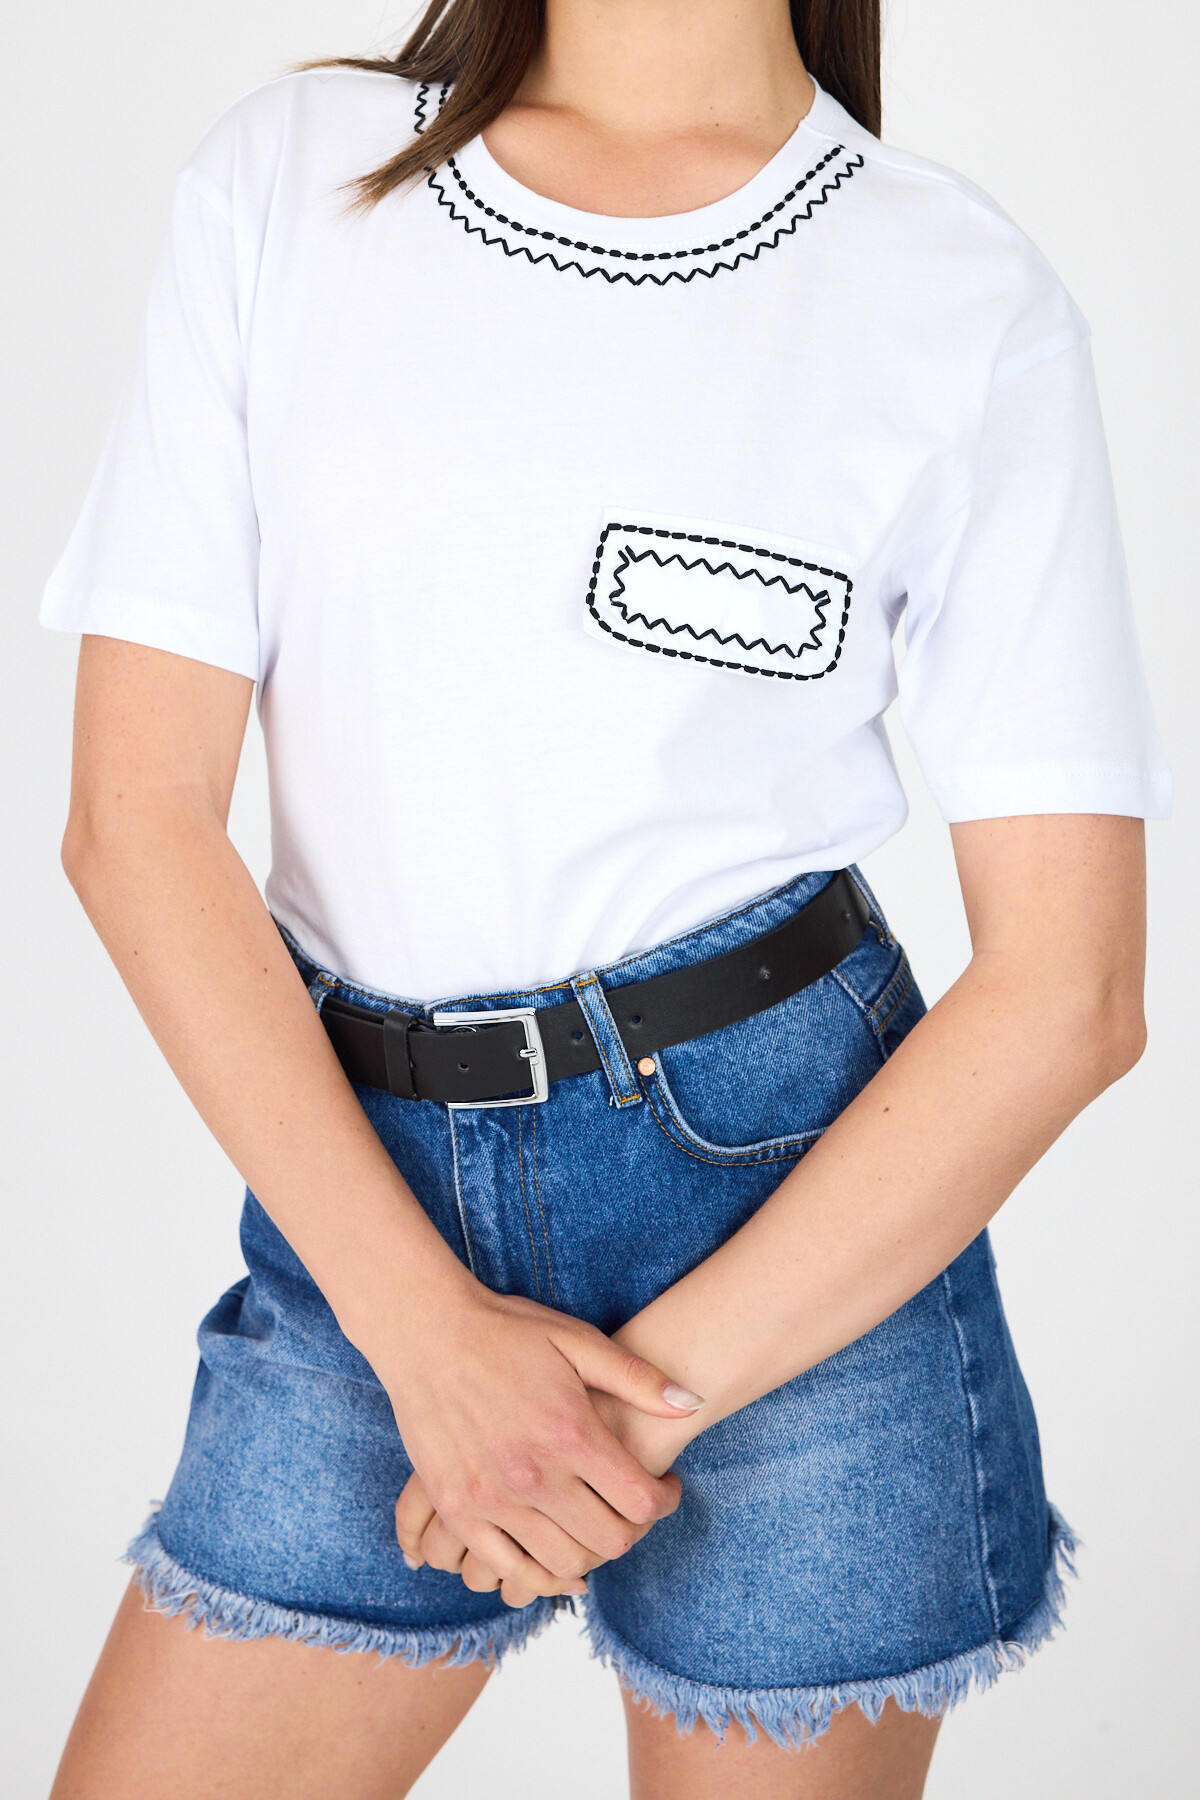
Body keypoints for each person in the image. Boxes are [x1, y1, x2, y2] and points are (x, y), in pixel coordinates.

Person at [40, 1, 1170, 1795]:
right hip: (363, 1218)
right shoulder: (294, 178)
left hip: (806, 1244)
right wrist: (432, 1347)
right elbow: (133, 822)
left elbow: (1073, 989)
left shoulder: (960, 295)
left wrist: (623, 1409)